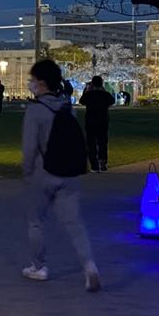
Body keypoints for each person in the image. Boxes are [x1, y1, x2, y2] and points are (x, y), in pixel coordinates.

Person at [21, 59, 99, 291]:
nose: (31, 84)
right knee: (74, 223)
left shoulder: (36, 110)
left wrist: (26, 171)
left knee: (36, 221)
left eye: (33, 80)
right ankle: (89, 266)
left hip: (42, 173)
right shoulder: (67, 107)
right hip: (69, 172)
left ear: (42, 83)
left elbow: (29, 147)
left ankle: (39, 267)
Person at [78, 74, 116, 172]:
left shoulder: (88, 95)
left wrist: (87, 90)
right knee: (102, 142)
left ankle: (94, 165)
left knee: (91, 144)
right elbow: (112, 101)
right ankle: (102, 161)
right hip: (103, 121)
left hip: (90, 121)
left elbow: (82, 101)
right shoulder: (106, 95)